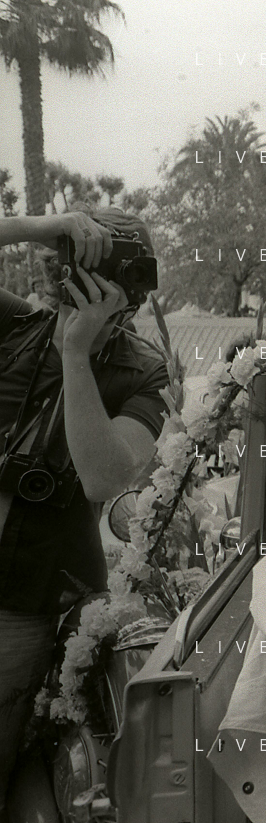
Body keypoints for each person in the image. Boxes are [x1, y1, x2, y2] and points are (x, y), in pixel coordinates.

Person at [0, 209, 169, 817]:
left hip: (24, 596)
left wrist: (76, 352)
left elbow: (104, 475)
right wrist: (37, 227)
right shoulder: (17, 326)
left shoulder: (143, 369)